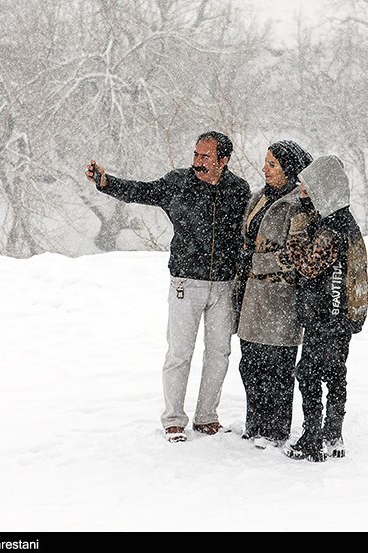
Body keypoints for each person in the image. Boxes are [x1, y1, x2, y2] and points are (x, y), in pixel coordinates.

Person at [85, 131, 251, 443]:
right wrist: (106, 183)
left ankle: (207, 417)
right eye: (196, 154)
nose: (198, 161)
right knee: (179, 353)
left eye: (205, 156)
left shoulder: (238, 190)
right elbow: (142, 191)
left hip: (224, 284)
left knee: (219, 353)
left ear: (223, 160)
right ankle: (174, 420)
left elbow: (248, 232)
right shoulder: (179, 183)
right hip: (186, 282)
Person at [277, 155, 368, 462]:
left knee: (309, 374)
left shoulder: (329, 228)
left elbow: (307, 266)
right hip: (340, 317)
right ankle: (333, 433)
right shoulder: (345, 222)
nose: (301, 190)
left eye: (307, 186)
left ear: (323, 188)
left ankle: (311, 439)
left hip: (323, 316)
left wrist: (296, 233)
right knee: (336, 374)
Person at [235, 140, 313, 449]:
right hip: (252, 297)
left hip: (281, 300)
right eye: (266, 163)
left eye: (272, 165)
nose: (264, 169)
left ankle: (276, 431)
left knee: (277, 369)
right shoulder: (259, 197)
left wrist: (257, 261)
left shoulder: (299, 205)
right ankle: (255, 426)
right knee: (250, 365)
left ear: (289, 169)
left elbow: (296, 256)